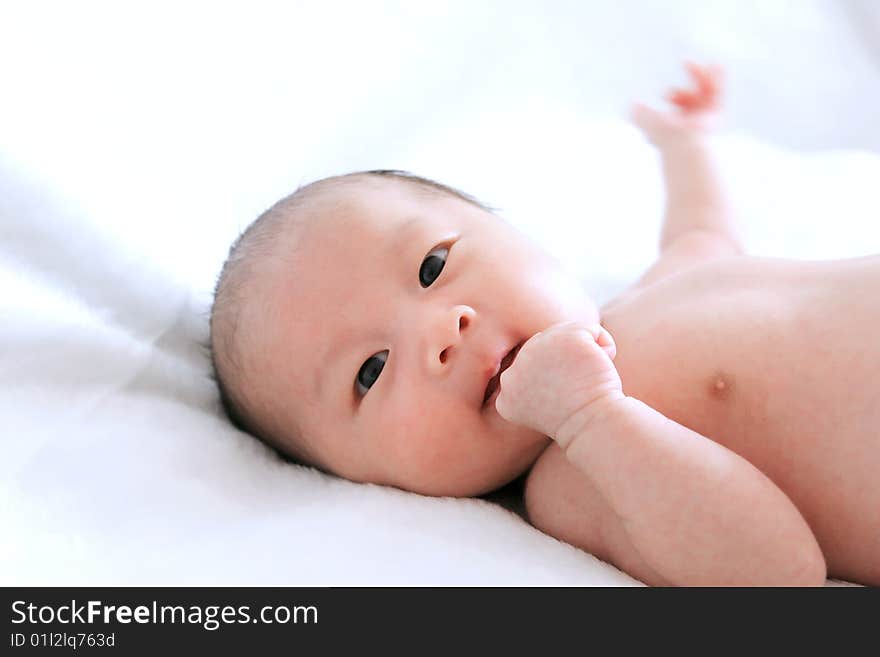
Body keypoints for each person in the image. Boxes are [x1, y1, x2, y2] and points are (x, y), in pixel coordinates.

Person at [209, 63, 879, 586]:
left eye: (433, 265)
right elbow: (777, 571)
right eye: (371, 370)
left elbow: (706, 231)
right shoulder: (575, 479)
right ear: (361, 478)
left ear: (513, 231)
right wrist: (592, 416)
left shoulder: (652, 293)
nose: (443, 331)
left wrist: (684, 144)